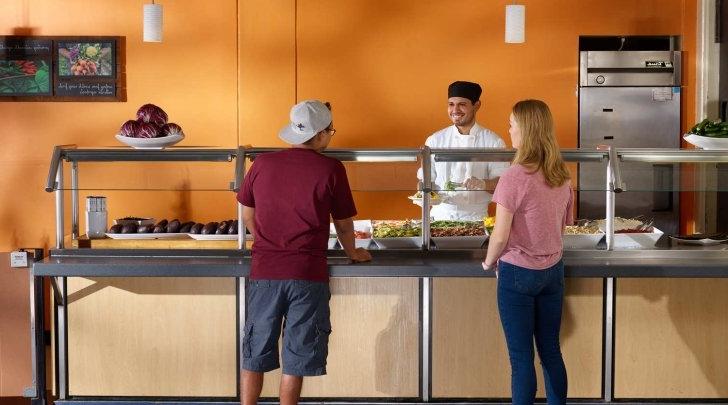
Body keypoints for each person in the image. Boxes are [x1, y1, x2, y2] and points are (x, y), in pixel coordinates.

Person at [237, 100, 372, 405]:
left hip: (265, 272)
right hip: (307, 275)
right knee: (296, 358)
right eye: (331, 131)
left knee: (255, 351)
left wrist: (268, 243)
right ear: (322, 134)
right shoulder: (331, 168)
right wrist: (354, 253)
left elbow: (247, 216)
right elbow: (344, 223)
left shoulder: (261, 164)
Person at [482, 99, 573, 405]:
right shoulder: (561, 174)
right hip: (553, 272)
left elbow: (500, 234)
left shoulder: (514, 176)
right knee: (550, 351)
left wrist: (487, 262)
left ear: (525, 130)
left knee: (521, 359)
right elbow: (562, 226)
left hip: (517, 273)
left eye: (511, 124)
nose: (509, 130)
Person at [418, 81, 509, 221]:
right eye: (451, 104)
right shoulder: (435, 140)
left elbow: (503, 184)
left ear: (476, 105)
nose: (455, 110)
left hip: (475, 218)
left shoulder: (493, 142)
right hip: (439, 216)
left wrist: (483, 183)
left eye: (462, 104)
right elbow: (425, 181)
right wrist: (422, 190)